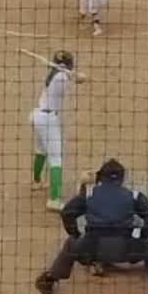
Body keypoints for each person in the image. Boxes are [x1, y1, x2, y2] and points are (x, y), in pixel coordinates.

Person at [34, 159, 148, 294]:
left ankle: (49, 280)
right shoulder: (133, 196)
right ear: (121, 178)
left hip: (92, 250)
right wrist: (143, 236)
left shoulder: (89, 193)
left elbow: (67, 212)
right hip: (125, 250)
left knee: (71, 243)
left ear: (102, 177)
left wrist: (76, 235)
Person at [30, 49, 86, 209]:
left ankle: (37, 181)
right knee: (56, 158)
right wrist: (76, 76)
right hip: (48, 119)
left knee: (41, 149)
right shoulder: (61, 76)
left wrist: (73, 75)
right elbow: (77, 79)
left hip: (38, 116)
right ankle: (54, 200)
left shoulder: (54, 73)